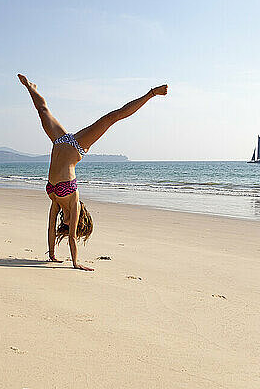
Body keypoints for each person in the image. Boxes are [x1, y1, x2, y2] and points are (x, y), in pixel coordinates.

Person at [18, 74, 168, 271]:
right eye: (72, 222)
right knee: (111, 118)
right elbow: (71, 237)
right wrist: (75, 262)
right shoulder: (74, 202)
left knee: (42, 110)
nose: (67, 221)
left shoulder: (56, 202)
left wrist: (52, 255)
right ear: (79, 221)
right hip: (77, 146)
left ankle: (31, 87)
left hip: (60, 142)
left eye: (66, 222)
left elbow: (49, 228)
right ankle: (151, 93)